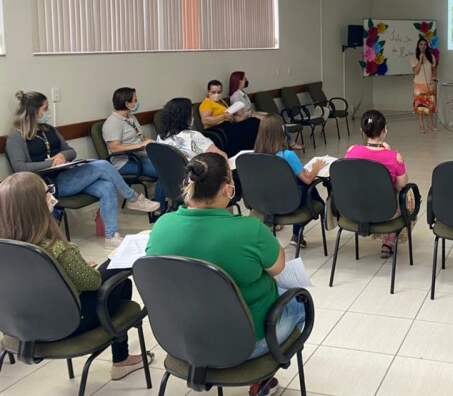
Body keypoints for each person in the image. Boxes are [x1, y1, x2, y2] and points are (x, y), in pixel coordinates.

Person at [146, 153, 305, 395]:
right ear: (227, 189)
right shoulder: (250, 230)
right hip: (245, 344)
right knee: (299, 302)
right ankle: (262, 377)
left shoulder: (162, 226)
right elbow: (280, 268)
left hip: (183, 340)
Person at [0, 172, 155, 379]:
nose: (52, 197)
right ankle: (121, 360)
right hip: (67, 324)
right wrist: (83, 271)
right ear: (37, 206)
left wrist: (68, 274)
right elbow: (93, 283)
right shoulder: (59, 249)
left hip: (20, 325)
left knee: (114, 276)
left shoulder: (8, 250)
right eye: (48, 192)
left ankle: (122, 359)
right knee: (120, 278)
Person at [6, 91, 159, 249]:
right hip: (48, 185)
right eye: (45, 109)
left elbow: (70, 151)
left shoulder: (49, 129)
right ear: (33, 111)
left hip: (67, 175)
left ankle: (111, 236)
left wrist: (62, 155)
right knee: (102, 165)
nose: (48, 112)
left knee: (107, 186)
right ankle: (133, 198)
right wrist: (51, 163)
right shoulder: (16, 137)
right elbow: (20, 168)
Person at [344, 110, 412, 258]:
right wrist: (388, 152)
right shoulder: (394, 156)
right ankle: (388, 240)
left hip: (355, 208)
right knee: (409, 197)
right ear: (384, 131)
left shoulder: (351, 151)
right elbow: (402, 184)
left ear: (362, 130)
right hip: (386, 212)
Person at [253, 113, 326, 249]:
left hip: (265, 201)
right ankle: (303, 228)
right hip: (289, 202)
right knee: (305, 185)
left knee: (299, 183)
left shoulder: (255, 156)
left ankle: (320, 211)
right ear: (282, 129)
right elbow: (308, 180)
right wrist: (316, 168)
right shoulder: (288, 155)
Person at [102, 87, 166, 215]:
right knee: (164, 171)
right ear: (127, 104)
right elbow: (114, 148)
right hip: (125, 162)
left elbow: (140, 137)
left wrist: (154, 143)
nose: (137, 103)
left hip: (139, 156)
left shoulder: (131, 118)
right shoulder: (112, 123)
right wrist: (141, 145)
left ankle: (168, 203)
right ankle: (160, 209)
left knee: (169, 163)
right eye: (135, 100)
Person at [230, 71, 303, 152]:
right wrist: (257, 116)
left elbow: (251, 109)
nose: (246, 80)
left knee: (277, 118)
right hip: (248, 120)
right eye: (244, 79)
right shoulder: (235, 96)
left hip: (253, 114)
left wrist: (258, 114)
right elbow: (242, 115)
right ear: (238, 81)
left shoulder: (243, 94)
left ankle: (288, 143)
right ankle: (288, 144)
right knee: (274, 122)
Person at [199, 79, 260, 156]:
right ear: (208, 92)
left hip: (228, 124)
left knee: (253, 121)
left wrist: (243, 118)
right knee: (252, 124)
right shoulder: (207, 103)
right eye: (213, 92)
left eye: (219, 92)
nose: (216, 94)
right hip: (217, 128)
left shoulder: (222, 102)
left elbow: (230, 117)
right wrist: (222, 116)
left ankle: (252, 151)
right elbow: (205, 120)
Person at [156, 97, 228, 161]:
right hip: (196, 175)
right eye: (192, 115)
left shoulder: (160, 137)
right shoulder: (193, 136)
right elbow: (222, 157)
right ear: (186, 118)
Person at [411, 38, 438, 133]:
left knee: (430, 105)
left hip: (429, 84)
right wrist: (420, 60)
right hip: (419, 84)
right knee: (421, 106)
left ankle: (430, 123)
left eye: (425, 44)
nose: (423, 46)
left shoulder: (431, 57)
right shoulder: (415, 57)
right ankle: (421, 125)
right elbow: (415, 71)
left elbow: (434, 69)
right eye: (421, 44)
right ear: (418, 46)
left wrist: (434, 77)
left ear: (427, 46)